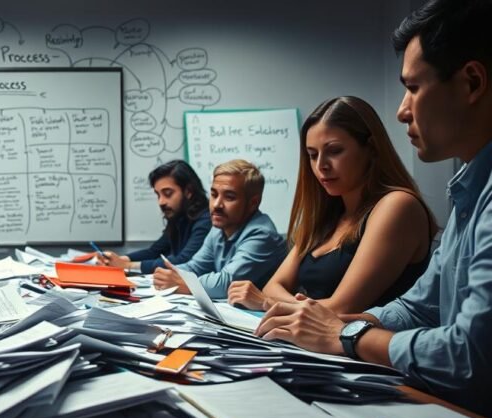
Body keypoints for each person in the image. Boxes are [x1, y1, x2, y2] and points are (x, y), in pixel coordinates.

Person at [257, 0, 492, 417]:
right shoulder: (469, 191)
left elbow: (470, 358)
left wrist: (345, 334)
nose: (402, 110)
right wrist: (342, 325)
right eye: (312, 155)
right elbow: (419, 306)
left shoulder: (406, 204)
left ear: (472, 82)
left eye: (413, 88)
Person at [228, 97, 435, 312]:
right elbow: (273, 287)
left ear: (372, 149)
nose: (321, 165)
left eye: (334, 151)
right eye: (312, 155)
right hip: (307, 334)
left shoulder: (398, 205)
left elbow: (341, 308)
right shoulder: (328, 215)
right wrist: (279, 301)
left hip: (369, 334)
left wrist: (268, 303)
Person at [152, 159, 285, 298]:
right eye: (214, 195)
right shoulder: (219, 227)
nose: (216, 205)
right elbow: (196, 267)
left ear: (253, 203)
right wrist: (169, 275)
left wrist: (186, 284)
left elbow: (225, 284)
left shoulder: (262, 234)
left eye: (229, 197)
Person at [99, 160, 210, 273]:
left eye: (168, 193)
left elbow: (183, 261)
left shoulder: (206, 220)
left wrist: (127, 265)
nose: (161, 202)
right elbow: (154, 251)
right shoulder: (178, 216)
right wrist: (118, 260)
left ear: (188, 191)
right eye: (158, 195)